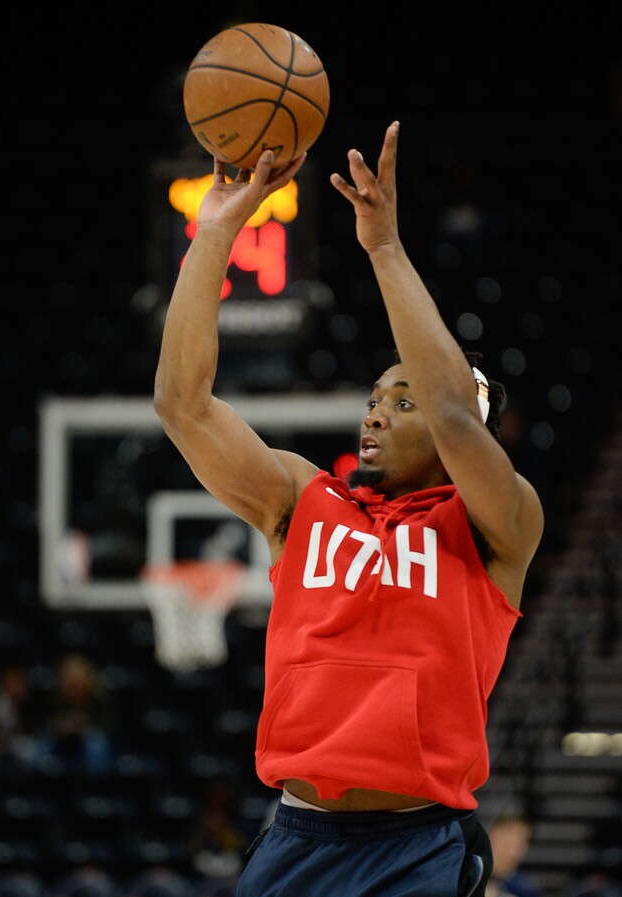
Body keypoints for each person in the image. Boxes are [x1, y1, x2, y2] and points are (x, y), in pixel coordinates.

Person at [153, 122, 544, 897]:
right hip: (298, 833)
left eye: (401, 401)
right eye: (373, 398)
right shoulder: (304, 499)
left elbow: (456, 416)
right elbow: (182, 404)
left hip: (416, 844)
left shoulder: (500, 524)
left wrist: (385, 249)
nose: (374, 413)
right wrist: (219, 226)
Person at [485, 813, 542, 897]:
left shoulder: (525, 889)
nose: (513, 852)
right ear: (490, 838)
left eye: (520, 844)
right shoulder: (467, 875)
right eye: (507, 843)